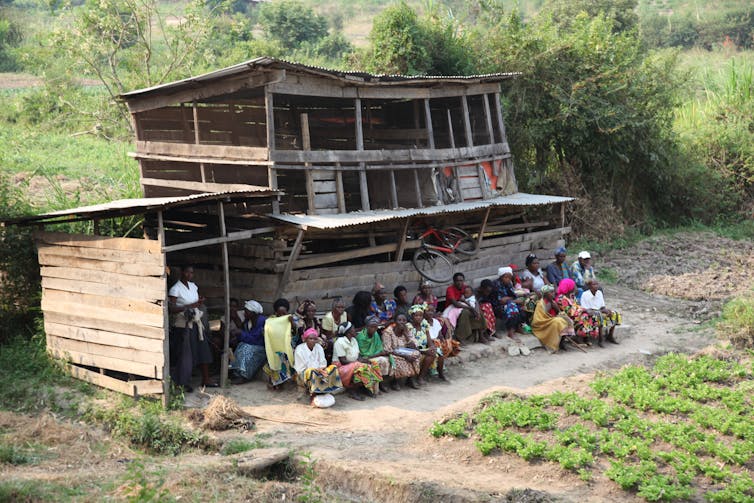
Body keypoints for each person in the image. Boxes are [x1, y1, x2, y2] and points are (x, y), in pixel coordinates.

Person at [168, 265, 215, 391]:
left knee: (203, 349)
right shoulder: (175, 289)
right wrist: (190, 306)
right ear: (182, 272)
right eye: (187, 272)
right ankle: (183, 382)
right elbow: (171, 309)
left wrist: (199, 302)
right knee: (186, 355)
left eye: (192, 273)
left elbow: (196, 303)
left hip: (196, 322)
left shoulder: (193, 286)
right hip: (183, 325)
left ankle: (206, 379)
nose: (190, 275)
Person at [332, 322, 383, 400]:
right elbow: (342, 361)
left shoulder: (354, 340)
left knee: (373, 364)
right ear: (348, 331)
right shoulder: (339, 342)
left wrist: (364, 361)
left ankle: (364, 386)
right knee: (360, 367)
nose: (355, 330)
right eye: (353, 329)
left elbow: (358, 356)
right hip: (340, 366)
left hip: (353, 364)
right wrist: (357, 363)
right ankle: (352, 391)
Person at [294, 328, 343, 403]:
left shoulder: (319, 347)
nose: (313, 341)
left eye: (315, 339)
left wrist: (321, 370)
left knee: (333, 368)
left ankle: (326, 390)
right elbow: (300, 369)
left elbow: (323, 363)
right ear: (305, 339)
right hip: (304, 374)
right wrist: (317, 370)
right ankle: (313, 393)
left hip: (320, 371)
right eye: (310, 339)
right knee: (312, 372)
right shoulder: (299, 349)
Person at [444, 272, 489, 344]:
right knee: (465, 312)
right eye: (457, 281)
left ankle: (481, 335)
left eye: (461, 281)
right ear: (454, 281)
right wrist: (471, 308)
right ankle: (461, 336)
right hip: (452, 308)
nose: (459, 283)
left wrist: (476, 309)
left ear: (463, 281)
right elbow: (455, 304)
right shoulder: (450, 289)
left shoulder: (465, 287)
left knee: (479, 311)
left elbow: (474, 299)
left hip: (464, 306)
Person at [230, 300, 267, 384]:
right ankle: (236, 372)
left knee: (246, 349)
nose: (244, 313)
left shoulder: (262, 322)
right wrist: (238, 336)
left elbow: (255, 339)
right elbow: (246, 335)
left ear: (254, 313)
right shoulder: (248, 322)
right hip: (251, 345)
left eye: (247, 311)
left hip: (260, 347)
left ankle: (245, 376)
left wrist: (241, 333)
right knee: (240, 346)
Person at [380, 313, 421, 389]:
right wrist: (405, 356)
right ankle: (394, 381)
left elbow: (414, 345)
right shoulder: (388, 332)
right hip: (393, 353)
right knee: (397, 360)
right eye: (399, 320)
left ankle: (411, 378)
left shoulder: (407, 330)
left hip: (404, 351)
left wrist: (405, 334)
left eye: (404, 320)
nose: (402, 322)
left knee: (416, 354)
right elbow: (388, 349)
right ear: (395, 322)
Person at [531, 285, 575, 353]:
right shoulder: (541, 304)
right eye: (551, 292)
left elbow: (559, 313)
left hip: (551, 320)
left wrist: (555, 307)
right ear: (546, 294)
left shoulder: (553, 302)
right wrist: (550, 305)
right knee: (558, 321)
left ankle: (562, 342)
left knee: (567, 320)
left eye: (553, 292)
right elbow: (540, 318)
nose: (553, 293)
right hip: (543, 324)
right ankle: (553, 345)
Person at [263, 298, 296, 389]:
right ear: (275, 312)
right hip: (275, 346)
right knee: (274, 358)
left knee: (285, 356)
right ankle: (275, 381)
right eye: (279, 313)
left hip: (286, 345)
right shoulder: (271, 320)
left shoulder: (289, 319)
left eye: (283, 313)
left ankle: (282, 381)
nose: (281, 315)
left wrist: (291, 322)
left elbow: (295, 332)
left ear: (287, 312)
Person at [554, 278, 600, 344]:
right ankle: (579, 336)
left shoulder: (571, 296)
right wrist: (584, 310)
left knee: (591, 315)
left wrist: (584, 310)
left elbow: (576, 306)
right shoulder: (561, 299)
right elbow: (569, 312)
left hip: (576, 314)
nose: (575, 287)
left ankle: (585, 336)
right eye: (573, 286)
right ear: (569, 287)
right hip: (567, 317)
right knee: (585, 316)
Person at [407, 304, 444, 383]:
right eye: (416, 316)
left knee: (438, 352)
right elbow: (411, 345)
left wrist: (431, 347)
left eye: (420, 316)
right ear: (412, 317)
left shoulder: (424, 326)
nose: (418, 317)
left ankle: (440, 374)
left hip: (424, 348)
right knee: (430, 355)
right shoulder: (409, 327)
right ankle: (418, 377)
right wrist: (425, 351)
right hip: (412, 350)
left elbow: (429, 338)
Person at [492, 266, 527, 348]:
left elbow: (512, 295)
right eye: (506, 277)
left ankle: (518, 326)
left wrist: (514, 299)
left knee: (524, 305)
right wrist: (513, 300)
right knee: (513, 307)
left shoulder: (509, 283)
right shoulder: (496, 285)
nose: (508, 279)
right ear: (502, 277)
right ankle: (511, 332)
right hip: (497, 306)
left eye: (509, 277)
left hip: (508, 303)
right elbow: (501, 300)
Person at [355, 317, 393, 393]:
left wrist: (383, 352)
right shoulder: (361, 337)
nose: (374, 329)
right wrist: (379, 354)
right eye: (371, 327)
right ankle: (371, 388)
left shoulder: (375, 334)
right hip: (364, 358)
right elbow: (364, 354)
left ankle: (382, 383)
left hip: (375, 355)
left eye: (375, 327)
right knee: (379, 362)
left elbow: (379, 347)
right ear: (366, 326)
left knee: (387, 360)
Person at [580, 279, 621, 346]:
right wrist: (600, 311)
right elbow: (586, 310)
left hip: (599, 311)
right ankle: (600, 339)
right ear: (590, 286)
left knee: (614, 314)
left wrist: (607, 311)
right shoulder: (585, 294)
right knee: (600, 316)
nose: (596, 286)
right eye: (594, 284)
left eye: (597, 284)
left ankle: (610, 336)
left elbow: (602, 307)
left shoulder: (599, 293)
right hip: (590, 312)